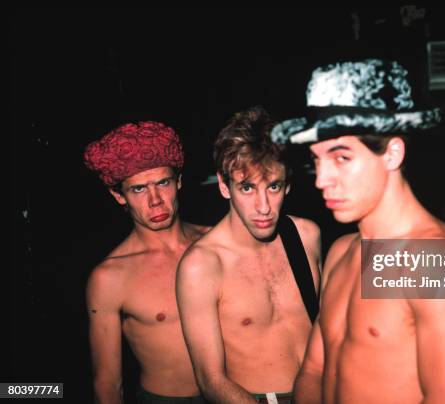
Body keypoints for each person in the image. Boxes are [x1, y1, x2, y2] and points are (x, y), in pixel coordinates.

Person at [272, 58, 445, 403]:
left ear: (393, 153)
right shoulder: (342, 251)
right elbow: (313, 370)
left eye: (341, 158)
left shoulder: (436, 261)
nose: (322, 179)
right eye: (316, 160)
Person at [176, 106, 321, 404]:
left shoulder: (307, 236)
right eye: (247, 187)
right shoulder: (202, 265)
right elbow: (210, 380)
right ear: (223, 186)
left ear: (288, 184)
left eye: (274, 186)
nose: (264, 206)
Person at [84, 121, 210, 404]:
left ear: (178, 181)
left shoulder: (217, 243)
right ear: (119, 196)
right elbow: (107, 383)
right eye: (139, 189)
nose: (155, 201)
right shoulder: (110, 276)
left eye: (163, 183)